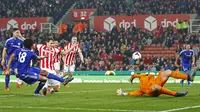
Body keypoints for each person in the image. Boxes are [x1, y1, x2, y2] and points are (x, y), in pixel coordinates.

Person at [4, 39, 71, 96]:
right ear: (30, 45)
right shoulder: (30, 53)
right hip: (25, 73)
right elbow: (38, 58)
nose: (33, 46)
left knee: (44, 72)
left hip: (27, 69)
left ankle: (63, 81)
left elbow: (11, 57)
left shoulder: (18, 50)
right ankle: (36, 92)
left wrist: (8, 68)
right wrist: (44, 57)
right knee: (44, 79)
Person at [117, 68, 197, 97]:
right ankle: (176, 94)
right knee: (156, 87)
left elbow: (134, 75)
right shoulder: (141, 90)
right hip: (151, 91)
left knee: (168, 72)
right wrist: (122, 93)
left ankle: (189, 77)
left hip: (156, 82)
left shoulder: (143, 75)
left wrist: (131, 79)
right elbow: (131, 93)